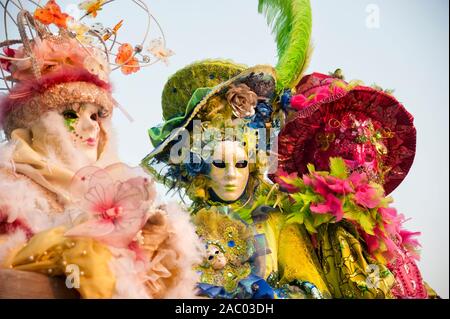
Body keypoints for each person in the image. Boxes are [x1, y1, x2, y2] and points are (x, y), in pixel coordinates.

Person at [0, 1, 201, 299]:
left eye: (96, 116)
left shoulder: (117, 190)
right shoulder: (8, 188)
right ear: (34, 122)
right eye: (71, 114)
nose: (91, 127)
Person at [143, 60, 331, 299]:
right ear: (200, 169)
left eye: (241, 164)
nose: (232, 175)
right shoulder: (178, 226)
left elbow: (310, 289)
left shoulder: (277, 218)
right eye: (219, 164)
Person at [270, 71, 438, 298]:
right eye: (348, 154)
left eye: (371, 153)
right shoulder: (318, 228)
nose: (362, 164)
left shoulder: (390, 232)